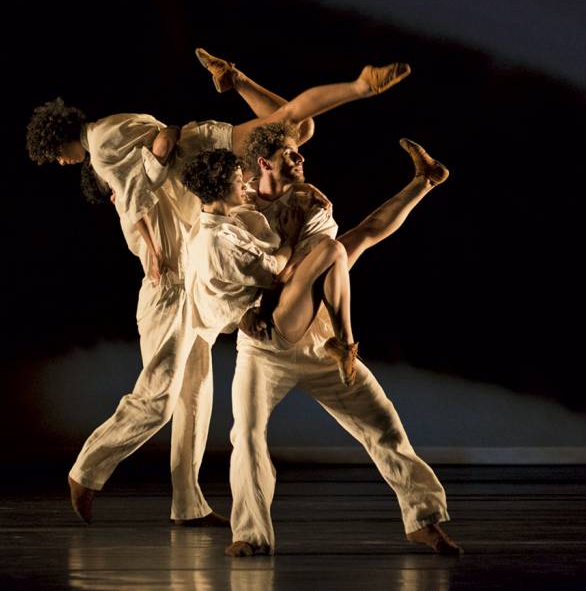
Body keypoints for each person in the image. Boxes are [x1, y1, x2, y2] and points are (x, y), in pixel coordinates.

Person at [24, 57, 410, 526]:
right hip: (169, 292)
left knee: (194, 399)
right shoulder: (140, 188)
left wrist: (299, 193)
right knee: (163, 397)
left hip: (186, 278)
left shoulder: (130, 165)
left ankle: (187, 504)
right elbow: (151, 185)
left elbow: (166, 162)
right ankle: (86, 470)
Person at [181, 126, 460, 556]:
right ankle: (250, 534)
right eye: (290, 155)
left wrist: (274, 284)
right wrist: (243, 312)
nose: (301, 160)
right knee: (247, 435)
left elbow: (305, 269)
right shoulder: (235, 201)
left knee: (383, 426)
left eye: (299, 155)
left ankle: (424, 520)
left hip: (318, 339)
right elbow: (215, 277)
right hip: (267, 348)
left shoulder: (309, 203)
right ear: (263, 164)